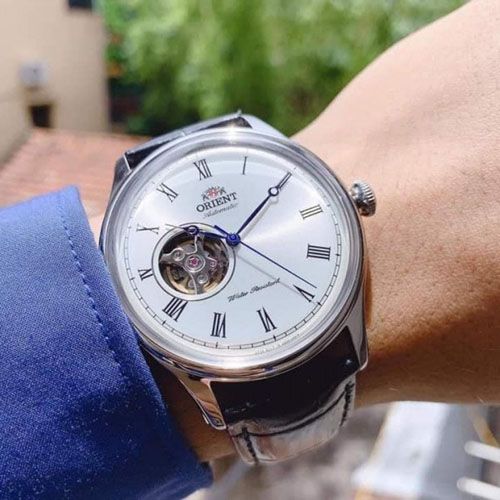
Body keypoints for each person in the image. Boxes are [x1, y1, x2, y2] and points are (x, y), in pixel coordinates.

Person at [1, 0, 499, 497]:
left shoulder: (345, 326)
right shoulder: (194, 354)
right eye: (207, 252)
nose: (231, 242)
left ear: (356, 202)